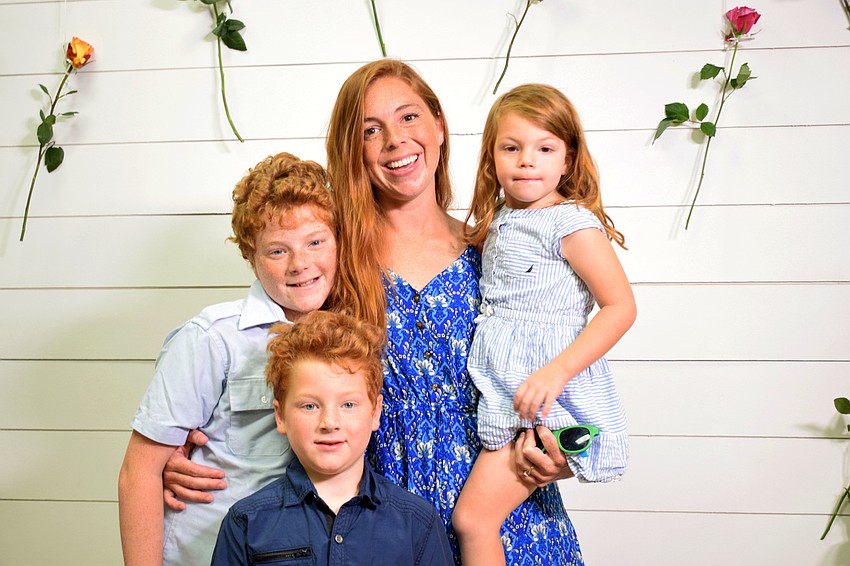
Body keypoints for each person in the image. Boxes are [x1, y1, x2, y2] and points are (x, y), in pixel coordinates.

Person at [163, 60, 585, 565]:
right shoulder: (332, 265)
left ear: (439, 125)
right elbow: (277, 363)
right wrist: (189, 449)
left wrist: (567, 451)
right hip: (376, 531)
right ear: (353, 151)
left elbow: (568, 366)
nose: (394, 140)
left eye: (408, 117)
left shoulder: (497, 251)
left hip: (506, 519)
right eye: (370, 130)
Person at [118, 152, 338, 565]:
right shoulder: (212, 339)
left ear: (338, 240)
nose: (301, 264)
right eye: (278, 251)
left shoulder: (351, 337)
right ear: (250, 258)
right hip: (210, 551)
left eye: (315, 242)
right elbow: (140, 471)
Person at [451, 84, 636, 565]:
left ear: (568, 160)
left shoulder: (571, 224)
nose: (526, 161)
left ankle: (580, 433)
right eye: (511, 148)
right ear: (491, 157)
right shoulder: (501, 219)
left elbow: (620, 307)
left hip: (546, 396)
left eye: (545, 149)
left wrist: (557, 371)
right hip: (510, 388)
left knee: (473, 520)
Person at [211, 311, 453, 565]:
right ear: (280, 416)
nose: (329, 422)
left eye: (348, 405)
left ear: (375, 412)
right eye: (309, 406)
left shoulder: (417, 523)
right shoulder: (247, 523)